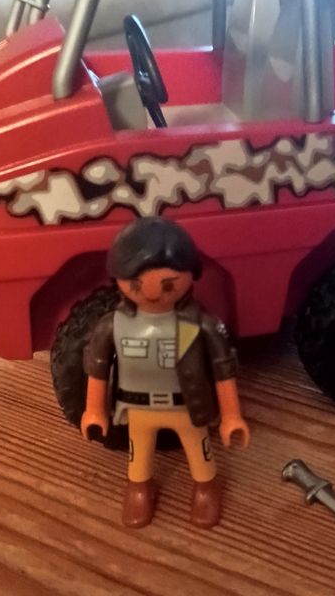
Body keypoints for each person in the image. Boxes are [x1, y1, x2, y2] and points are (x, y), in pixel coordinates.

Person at [81, 217, 249, 528]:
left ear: (189, 276)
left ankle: (206, 487)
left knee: (199, 451)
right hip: (137, 407)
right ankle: (139, 488)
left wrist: (231, 416)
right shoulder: (113, 325)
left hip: (187, 406)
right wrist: (94, 410)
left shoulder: (200, 325)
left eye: (168, 284)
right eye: (136, 285)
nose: (152, 294)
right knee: (138, 455)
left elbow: (223, 370)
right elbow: (98, 368)